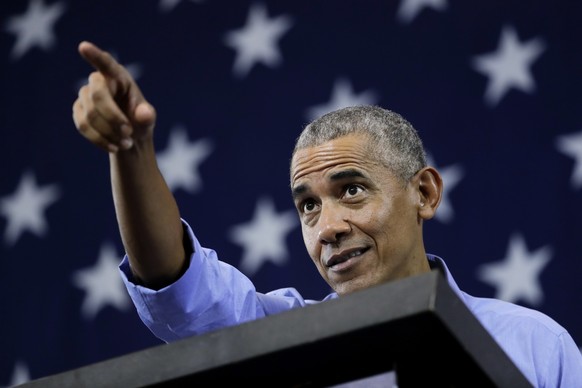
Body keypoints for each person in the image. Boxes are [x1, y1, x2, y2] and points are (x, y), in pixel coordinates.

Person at [72, 41, 582, 387]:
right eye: (307, 206)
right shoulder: (280, 343)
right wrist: (131, 150)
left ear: (424, 193)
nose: (328, 228)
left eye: (353, 190)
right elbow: (179, 287)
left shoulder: (534, 343)